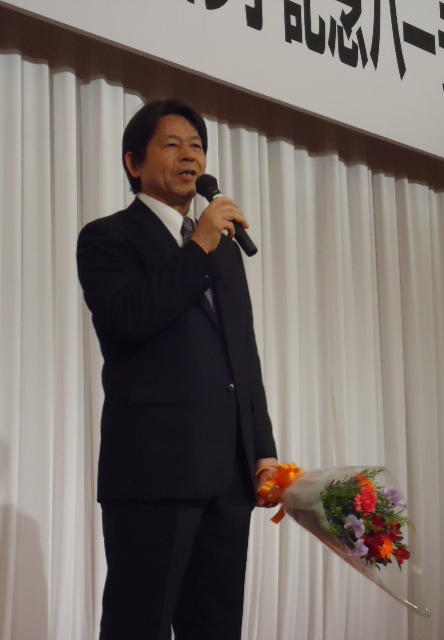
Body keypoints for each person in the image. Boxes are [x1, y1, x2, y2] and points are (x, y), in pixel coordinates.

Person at [76, 98, 278, 640]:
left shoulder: (223, 250)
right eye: (172, 144)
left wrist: (262, 450)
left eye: (197, 146)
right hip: (153, 474)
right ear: (133, 162)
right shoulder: (108, 238)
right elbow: (130, 320)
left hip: (228, 478)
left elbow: (243, 354)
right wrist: (200, 246)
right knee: (137, 625)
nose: (190, 156)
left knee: (215, 628)